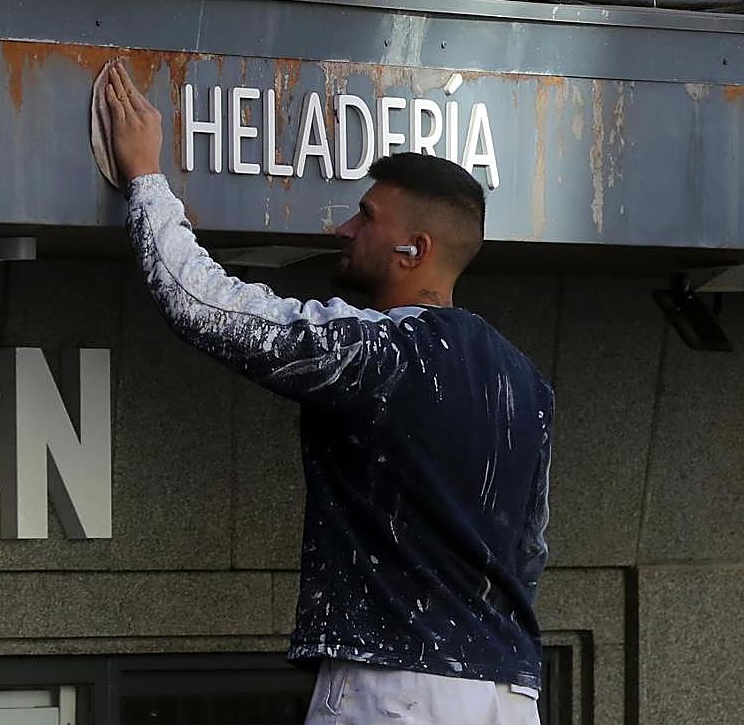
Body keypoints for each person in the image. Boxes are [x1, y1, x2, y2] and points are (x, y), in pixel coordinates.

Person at [101, 62, 553, 724]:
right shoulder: (527, 382)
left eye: (365, 217)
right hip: (508, 695)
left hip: (397, 686)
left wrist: (145, 175)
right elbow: (529, 550)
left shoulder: (387, 353)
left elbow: (205, 305)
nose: (343, 229)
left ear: (413, 248)